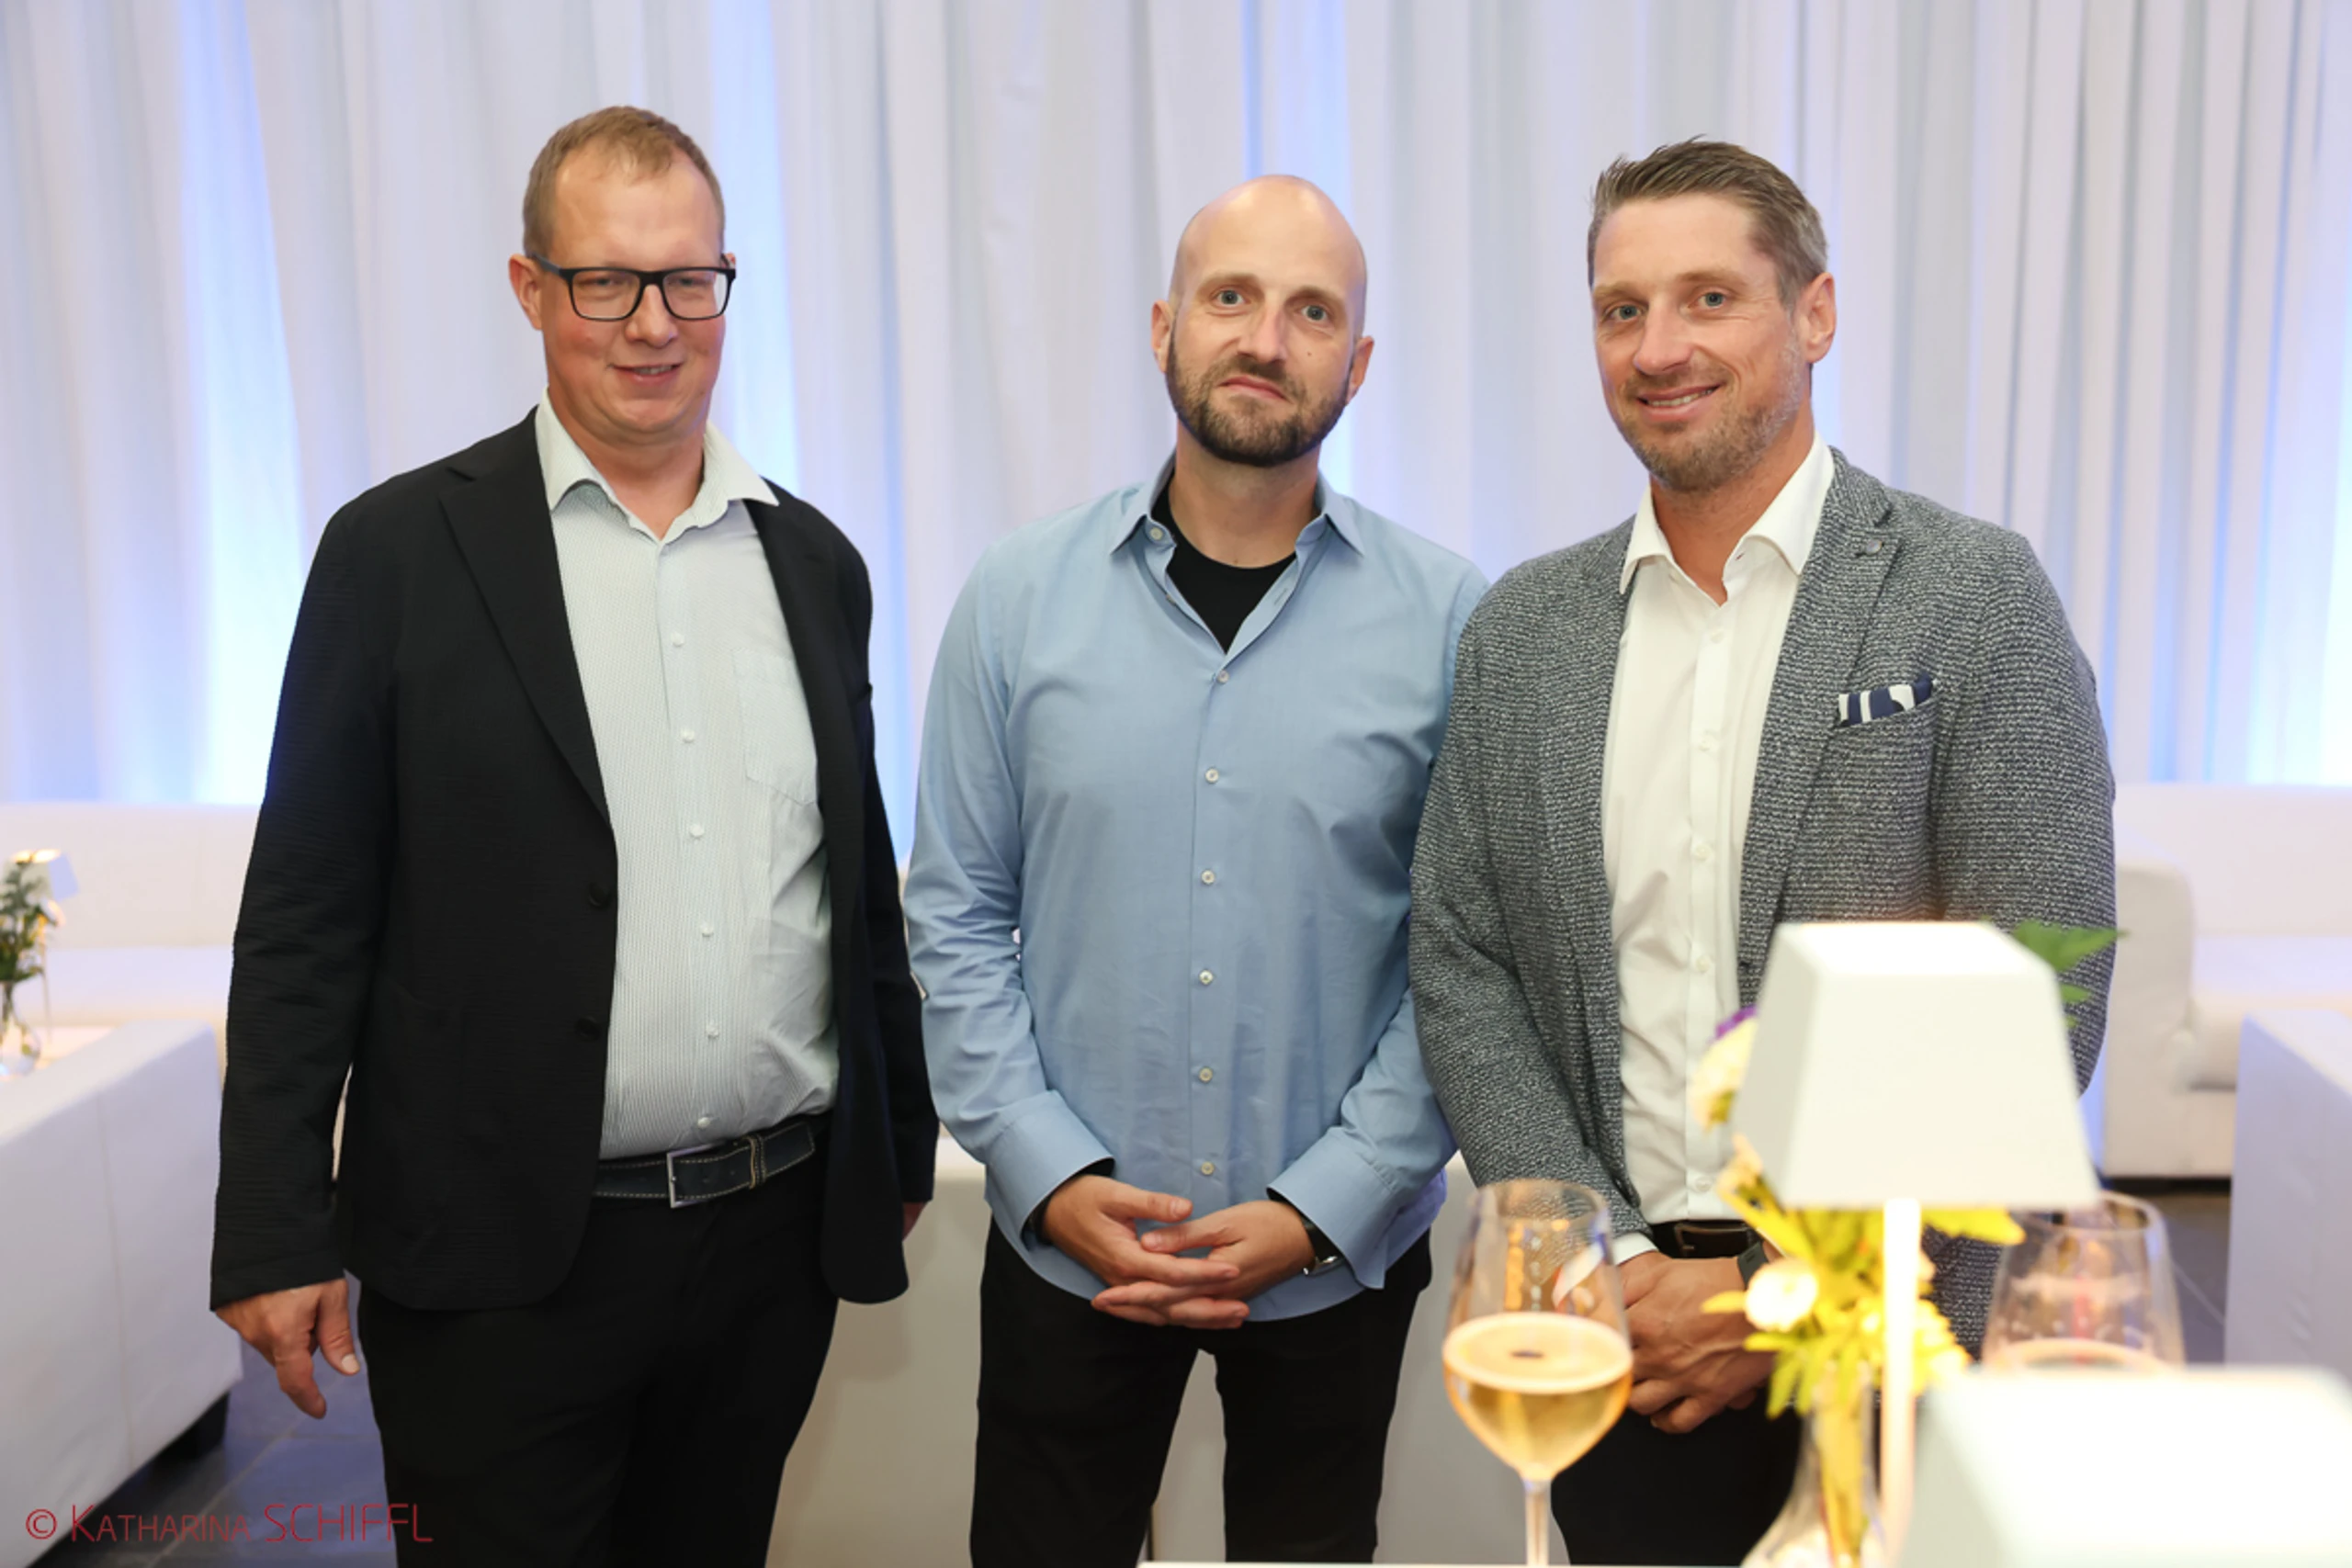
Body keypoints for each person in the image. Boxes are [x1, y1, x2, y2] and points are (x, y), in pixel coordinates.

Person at [208, 106, 935, 1567]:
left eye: (689, 279)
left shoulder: (814, 562)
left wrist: (898, 1142)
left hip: (767, 1246)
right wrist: (276, 1226)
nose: (653, 323)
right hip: (495, 1264)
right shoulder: (395, 555)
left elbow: (854, 890)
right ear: (531, 287)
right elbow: (304, 915)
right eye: (607, 280)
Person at [1409, 138, 2116, 1568]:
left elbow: (2043, 984)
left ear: (1816, 313)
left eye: (1709, 298)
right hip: (1619, 1353)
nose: (1658, 346)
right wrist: (1597, 1254)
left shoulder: (1973, 594)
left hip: (1895, 1342)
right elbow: (1462, 953)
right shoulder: (1523, 633)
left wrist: (1780, 1287)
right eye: (1621, 309)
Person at [905, 175, 1486, 1567]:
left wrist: (1327, 1202)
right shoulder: (1015, 599)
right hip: (1067, 1250)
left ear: (1360, 361)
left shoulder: (1453, 620)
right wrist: (1047, 1174)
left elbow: (1469, 959)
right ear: (1166, 326)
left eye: (1312, 311)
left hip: (1336, 1261)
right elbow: (957, 914)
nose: (1265, 339)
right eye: (1232, 297)